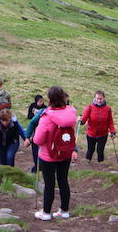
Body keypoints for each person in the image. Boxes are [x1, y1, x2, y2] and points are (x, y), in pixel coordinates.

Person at [32, 86, 78, 221]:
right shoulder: (71, 113)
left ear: (50, 99)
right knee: (63, 180)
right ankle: (64, 211)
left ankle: (46, 212)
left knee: (49, 183)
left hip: (48, 156)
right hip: (65, 153)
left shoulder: (46, 116)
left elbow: (38, 140)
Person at [79, 90, 115, 163]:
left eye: (100, 99)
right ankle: (87, 164)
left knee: (100, 151)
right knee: (90, 150)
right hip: (91, 134)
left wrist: (112, 132)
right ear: (94, 98)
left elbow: (110, 121)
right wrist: (81, 121)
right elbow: (84, 120)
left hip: (103, 134)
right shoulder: (89, 107)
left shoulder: (108, 108)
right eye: (97, 98)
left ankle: (101, 166)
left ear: (104, 98)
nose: (99, 100)